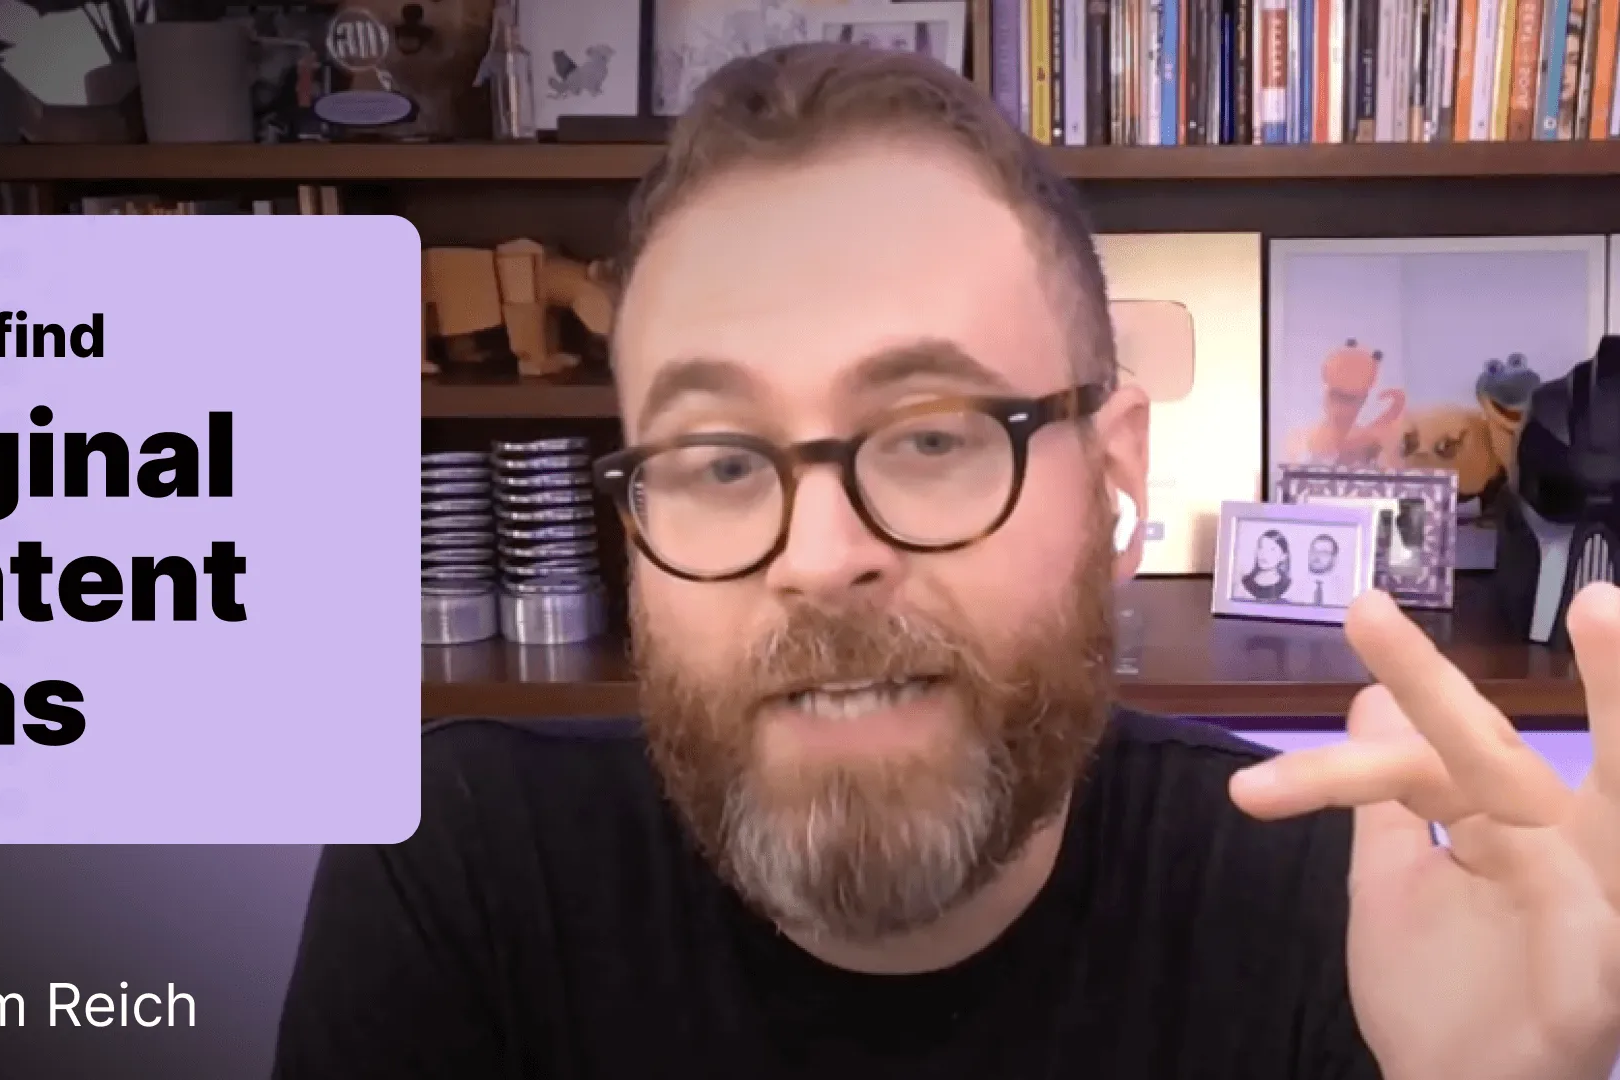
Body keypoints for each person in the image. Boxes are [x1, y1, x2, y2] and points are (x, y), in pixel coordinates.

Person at [277, 43, 1620, 1080]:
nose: (820, 558)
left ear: (1118, 474)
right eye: (721, 461)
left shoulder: (1336, 916)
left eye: (931, 437)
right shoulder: (458, 871)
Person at [1239, 528, 1293, 601]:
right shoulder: (1245, 583)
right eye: (1261, 547)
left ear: (1283, 556)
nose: (1264, 554)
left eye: (1272, 549)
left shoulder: (1288, 586)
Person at [1305, 533, 1340, 605]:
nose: (1317, 556)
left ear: (1334, 558)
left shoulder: (1342, 591)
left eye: (1324, 553)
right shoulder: (1293, 586)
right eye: (1314, 551)